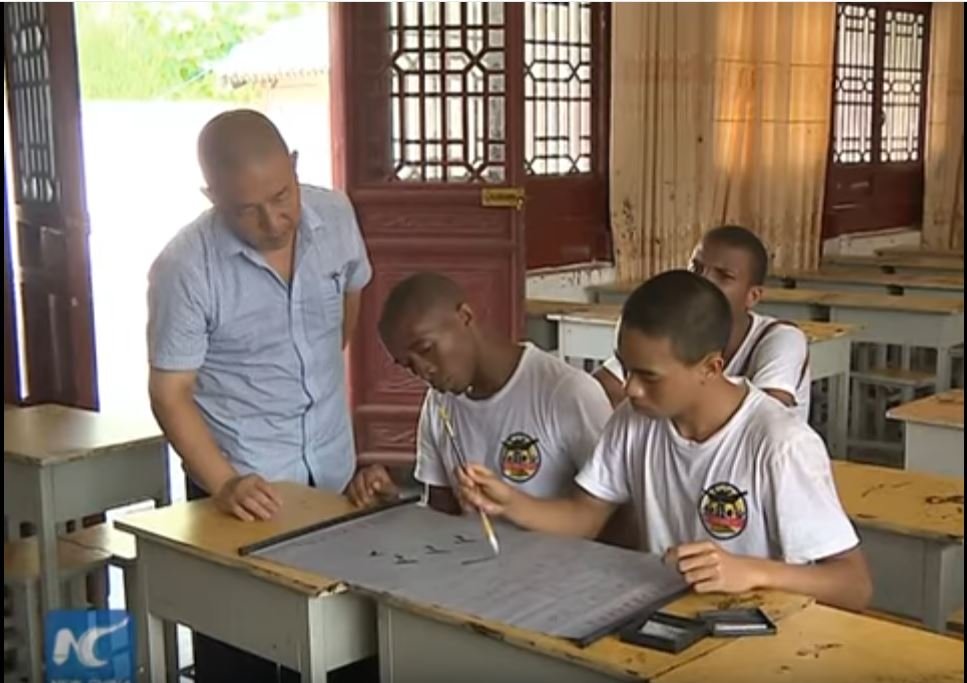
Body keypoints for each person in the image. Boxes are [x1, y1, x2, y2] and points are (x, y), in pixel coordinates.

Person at [458, 271, 872, 612]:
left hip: (763, 633)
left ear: (711, 367)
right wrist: (510, 502)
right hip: (667, 616)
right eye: (626, 369)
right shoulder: (635, 421)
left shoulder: (779, 444)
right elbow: (584, 516)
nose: (631, 389)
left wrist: (753, 571)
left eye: (649, 376)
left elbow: (853, 585)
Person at [147, 110, 373, 683]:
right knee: (245, 656)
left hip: (330, 473)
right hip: (243, 488)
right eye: (246, 209)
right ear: (211, 194)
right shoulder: (185, 267)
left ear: (295, 167)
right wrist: (224, 483)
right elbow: (171, 392)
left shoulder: (336, 214)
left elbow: (351, 304)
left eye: (282, 195)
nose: (273, 220)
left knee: (348, 644)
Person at [346, 272, 612, 514]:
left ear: (465, 317)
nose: (423, 370)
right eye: (408, 365)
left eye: (426, 349)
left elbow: (615, 513)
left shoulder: (567, 393)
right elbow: (441, 514)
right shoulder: (438, 403)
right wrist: (391, 507)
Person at [594, 225, 810, 420]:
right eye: (696, 268)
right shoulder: (678, 328)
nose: (703, 281)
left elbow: (762, 417)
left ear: (752, 296)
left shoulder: (781, 338)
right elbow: (601, 390)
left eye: (724, 276)